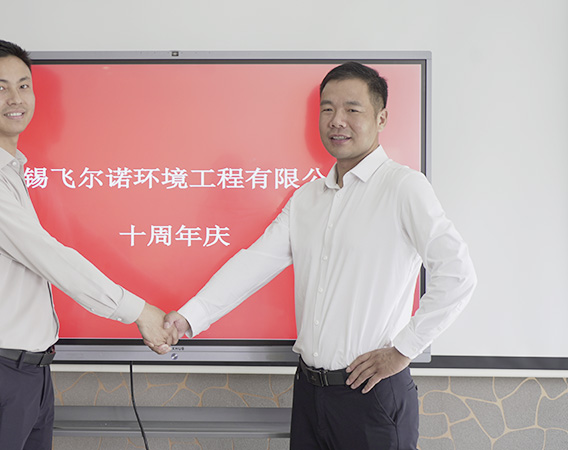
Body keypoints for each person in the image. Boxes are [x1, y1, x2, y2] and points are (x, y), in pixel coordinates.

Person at [164, 62, 477, 449]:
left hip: (371, 396)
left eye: (352, 109)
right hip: (310, 394)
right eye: (327, 109)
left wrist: (403, 350)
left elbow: (458, 275)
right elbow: (253, 264)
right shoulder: (307, 199)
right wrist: (188, 317)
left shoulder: (403, 187)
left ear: (381, 118)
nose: (337, 120)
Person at [0, 38, 177, 450]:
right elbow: (48, 257)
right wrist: (138, 311)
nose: (16, 98)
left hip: (28, 373)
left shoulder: (8, 171)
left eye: (23, 85)